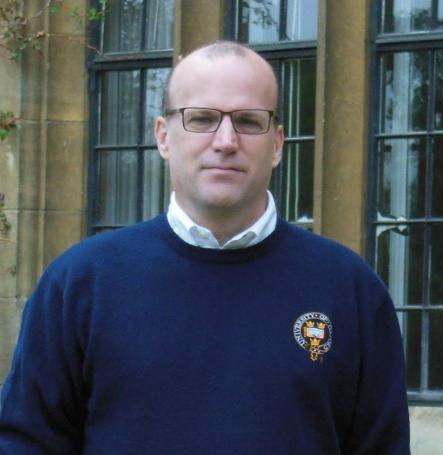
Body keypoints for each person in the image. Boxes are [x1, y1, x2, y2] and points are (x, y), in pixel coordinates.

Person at [0, 40, 410, 454]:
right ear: (163, 136)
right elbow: (28, 441)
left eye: (250, 121)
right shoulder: (81, 282)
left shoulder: (348, 288)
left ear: (277, 144)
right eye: (202, 119)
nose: (226, 140)